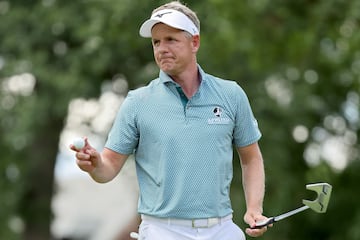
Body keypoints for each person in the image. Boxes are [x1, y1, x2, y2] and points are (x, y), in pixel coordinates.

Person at [70, 1, 269, 239]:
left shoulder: (231, 95)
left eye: (170, 39)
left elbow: (251, 158)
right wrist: (95, 166)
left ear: (194, 42)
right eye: (156, 42)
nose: (161, 48)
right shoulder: (138, 102)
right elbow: (109, 167)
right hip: (162, 230)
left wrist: (254, 209)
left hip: (221, 228)